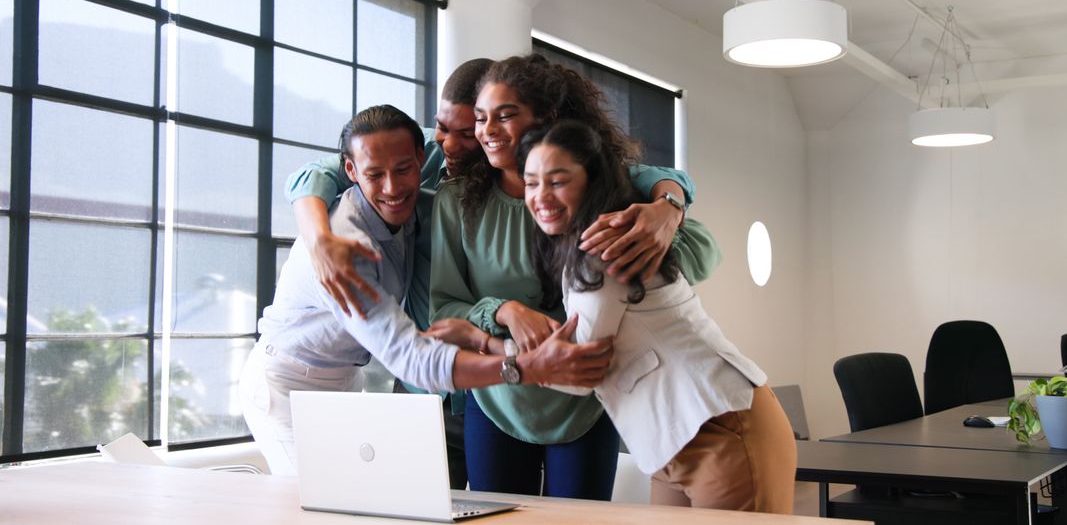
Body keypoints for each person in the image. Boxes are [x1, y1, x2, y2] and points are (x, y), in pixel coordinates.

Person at [240, 105, 614, 476]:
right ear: (351, 172)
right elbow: (409, 358)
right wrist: (521, 367)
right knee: (314, 503)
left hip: (346, 379)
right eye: (375, 175)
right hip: (285, 382)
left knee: (352, 499)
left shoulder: (420, 203)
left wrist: (666, 204)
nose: (392, 187)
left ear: (422, 157)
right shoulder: (346, 247)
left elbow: (625, 171)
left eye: (403, 169)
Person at [429, 53, 722, 500]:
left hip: (587, 399)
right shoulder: (456, 202)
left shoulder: (596, 189)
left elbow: (703, 252)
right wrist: (504, 311)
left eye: (505, 116)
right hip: (499, 397)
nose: (487, 132)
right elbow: (444, 306)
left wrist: (669, 210)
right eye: (481, 119)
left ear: (546, 118)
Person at [517, 120, 796, 512]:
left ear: (593, 179)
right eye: (531, 183)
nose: (541, 196)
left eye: (557, 181)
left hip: (720, 428)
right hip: (674, 440)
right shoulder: (579, 247)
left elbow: (581, 371)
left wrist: (493, 351)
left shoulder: (606, 245)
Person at [284, 58, 494, 488]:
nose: (449, 144)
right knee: (338, 506)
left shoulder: (530, 179)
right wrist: (319, 240)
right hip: (408, 384)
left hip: (366, 381)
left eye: (466, 134)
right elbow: (313, 174)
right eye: (442, 128)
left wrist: (669, 200)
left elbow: (642, 175)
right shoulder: (357, 235)